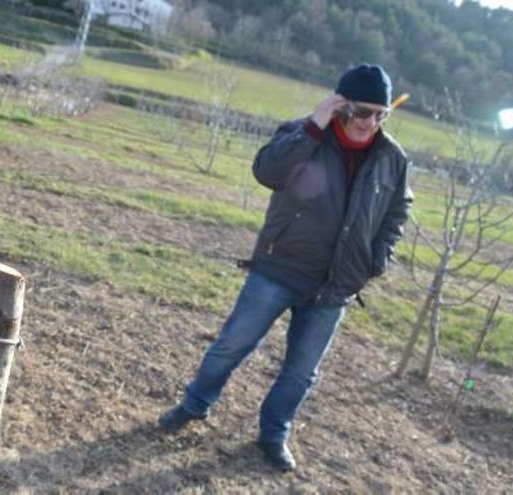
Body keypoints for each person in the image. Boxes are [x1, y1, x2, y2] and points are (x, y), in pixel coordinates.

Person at [158, 64, 412, 472]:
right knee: (231, 346)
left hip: (334, 286)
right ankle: (194, 404)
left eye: (381, 114)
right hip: (279, 267)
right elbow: (266, 171)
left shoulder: (392, 158)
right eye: (364, 112)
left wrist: (375, 260)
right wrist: (314, 124)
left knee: (300, 373)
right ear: (341, 106)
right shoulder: (304, 134)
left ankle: (274, 434)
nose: (372, 123)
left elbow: (398, 212)